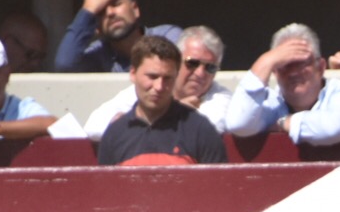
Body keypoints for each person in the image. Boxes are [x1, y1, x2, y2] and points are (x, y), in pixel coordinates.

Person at [224, 23, 340, 145]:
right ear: (274, 71)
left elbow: (331, 127)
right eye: (284, 64)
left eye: (301, 63)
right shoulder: (271, 103)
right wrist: (265, 61)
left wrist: (284, 123)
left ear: (320, 67)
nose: (293, 72)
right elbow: (239, 124)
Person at [84, 25, 233, 139]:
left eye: (210, 67)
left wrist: (138, 121)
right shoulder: (151, 88)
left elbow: (206, 130)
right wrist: (176, 112)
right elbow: (93, 127)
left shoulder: (221, 98)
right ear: (176, 61)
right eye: (192, 63)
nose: (200, 73)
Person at [96, 35, 226, 166]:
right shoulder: (115, 134)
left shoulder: (200, 130)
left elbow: (218, 184)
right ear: (133, 74)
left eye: (167, 78)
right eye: (152, 76)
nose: (159, 87)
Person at [54, 0, 183, 73]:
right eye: (100, 12)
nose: (110, 13)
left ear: (135, 10)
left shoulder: (168, 36)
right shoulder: (99, 55)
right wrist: (88, 10)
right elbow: (64, 64)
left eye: (116, 4)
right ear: (96, 27)